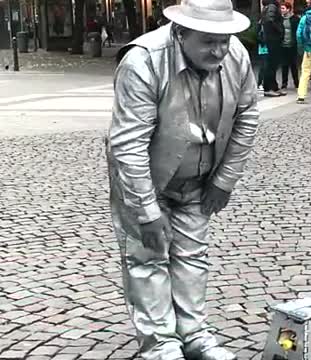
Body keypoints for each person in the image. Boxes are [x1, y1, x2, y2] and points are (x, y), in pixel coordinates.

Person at [106, 0, 258, 357]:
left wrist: (225, 180)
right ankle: (160, 343)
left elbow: (247, 115)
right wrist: (145, 209)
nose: (219, 50)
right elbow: (128, 144)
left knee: (193, 254)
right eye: (208, 41)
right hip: (146, 177)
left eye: (224, 40)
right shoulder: (142, 61)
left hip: (200, 177)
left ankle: (194, 333)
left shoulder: (234, 53)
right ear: (180, 32)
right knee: (148, 257)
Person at [261, 0, 286, 97]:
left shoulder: (269, 6)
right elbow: (270, 20)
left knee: (272, 64)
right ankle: (268, 88)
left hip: (271, 38)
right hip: (273, 39)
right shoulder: (272, 6)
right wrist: (279, 31)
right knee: (271, 64)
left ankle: (273, 86)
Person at [281, 2, 300, 89]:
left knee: (293, 65)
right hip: (283, 44)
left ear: (288, 9)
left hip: (292, 44)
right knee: (284, 65)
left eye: (283, 8)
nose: (281, 10)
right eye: (281, 8)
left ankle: (297, 83)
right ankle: (284, 83)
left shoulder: (295, 19)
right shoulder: (280, 19)